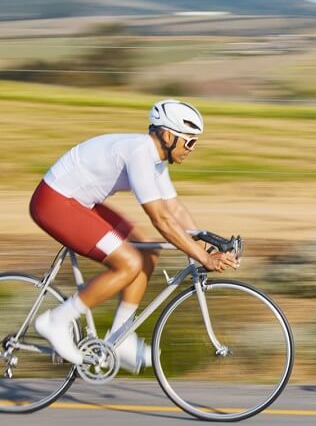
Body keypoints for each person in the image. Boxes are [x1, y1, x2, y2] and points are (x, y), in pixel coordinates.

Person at [30, 100, 238, 371]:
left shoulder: (156, 161)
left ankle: (121, 337)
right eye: (189, 142)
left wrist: (208, 243)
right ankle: (56, 320)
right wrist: (201, 257)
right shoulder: (140, 154)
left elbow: (174, 209)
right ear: (167, 135)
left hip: (79, 203)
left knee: (149, 249)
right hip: (55, 204)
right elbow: (160, 219)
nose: (192, 149)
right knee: (129, 262)